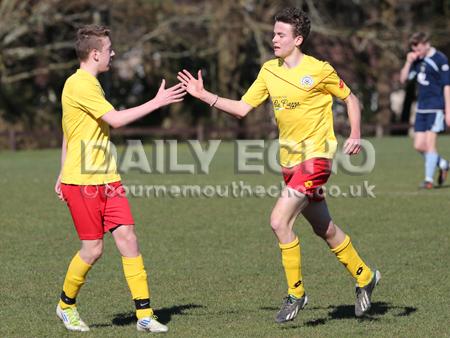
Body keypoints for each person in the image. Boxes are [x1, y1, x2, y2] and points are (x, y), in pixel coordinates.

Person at [177, 7, 380, 323]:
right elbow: (243, 108)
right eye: (273, 33)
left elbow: (350, 99)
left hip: (317, 158)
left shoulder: (320, 70)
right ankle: (365, 275)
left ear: (297, 39)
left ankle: (296, 293)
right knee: (323, 227)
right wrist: (204, 96)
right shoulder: (269, 71)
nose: (274, 39)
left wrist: (355, 133)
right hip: (289, 164)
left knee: (278, 221)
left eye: (280, 34)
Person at [54, 24, 185, 333]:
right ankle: (65, 306)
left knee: (128, 238)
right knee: (93, 250)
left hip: (107, 178)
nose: (113, 53)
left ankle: (144, 315)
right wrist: (156, 102)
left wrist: (60, 169)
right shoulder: (80, 84)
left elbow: (68, 130)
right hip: (83, 183)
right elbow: (114, 119)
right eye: (109, 49)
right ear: (95, 53)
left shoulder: (91, 83)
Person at [400, 32, 450, 189]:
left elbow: (447, 86)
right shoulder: (417, 60)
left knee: (430, 144)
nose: (416, 50)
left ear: (426, 43)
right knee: (418, 145)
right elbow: (403, 79)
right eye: (413, 47)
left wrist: (448, 110)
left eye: (418, 47)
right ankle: (443, 164)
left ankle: (428, 180)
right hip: (421, 108)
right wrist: (408, 63)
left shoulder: (440, 60)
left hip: (436, 107)